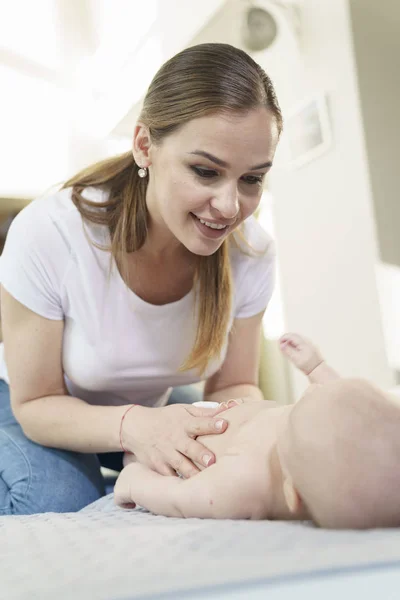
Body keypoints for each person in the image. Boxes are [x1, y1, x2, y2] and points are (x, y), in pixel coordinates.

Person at [0, 42, 282, 515]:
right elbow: (38, 403)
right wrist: (138, 430)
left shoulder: (251, 252)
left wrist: (222, 434)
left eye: (252, 179)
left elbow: (234, 386)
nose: (231, 207)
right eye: (205, 171)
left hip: (146, 401)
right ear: (145, 146)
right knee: (56, 500)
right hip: (32, 402)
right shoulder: (50, 234)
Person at [115, 333, 400, 530]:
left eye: (295, 410)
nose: (312, 390)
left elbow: (180, 498)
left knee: (132, 454)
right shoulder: (324, 450)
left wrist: (135, 482)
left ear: (293, 495)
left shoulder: (242, 487)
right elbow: (341, 407)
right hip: (202, 409)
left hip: (174, 447)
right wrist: (316, 367)